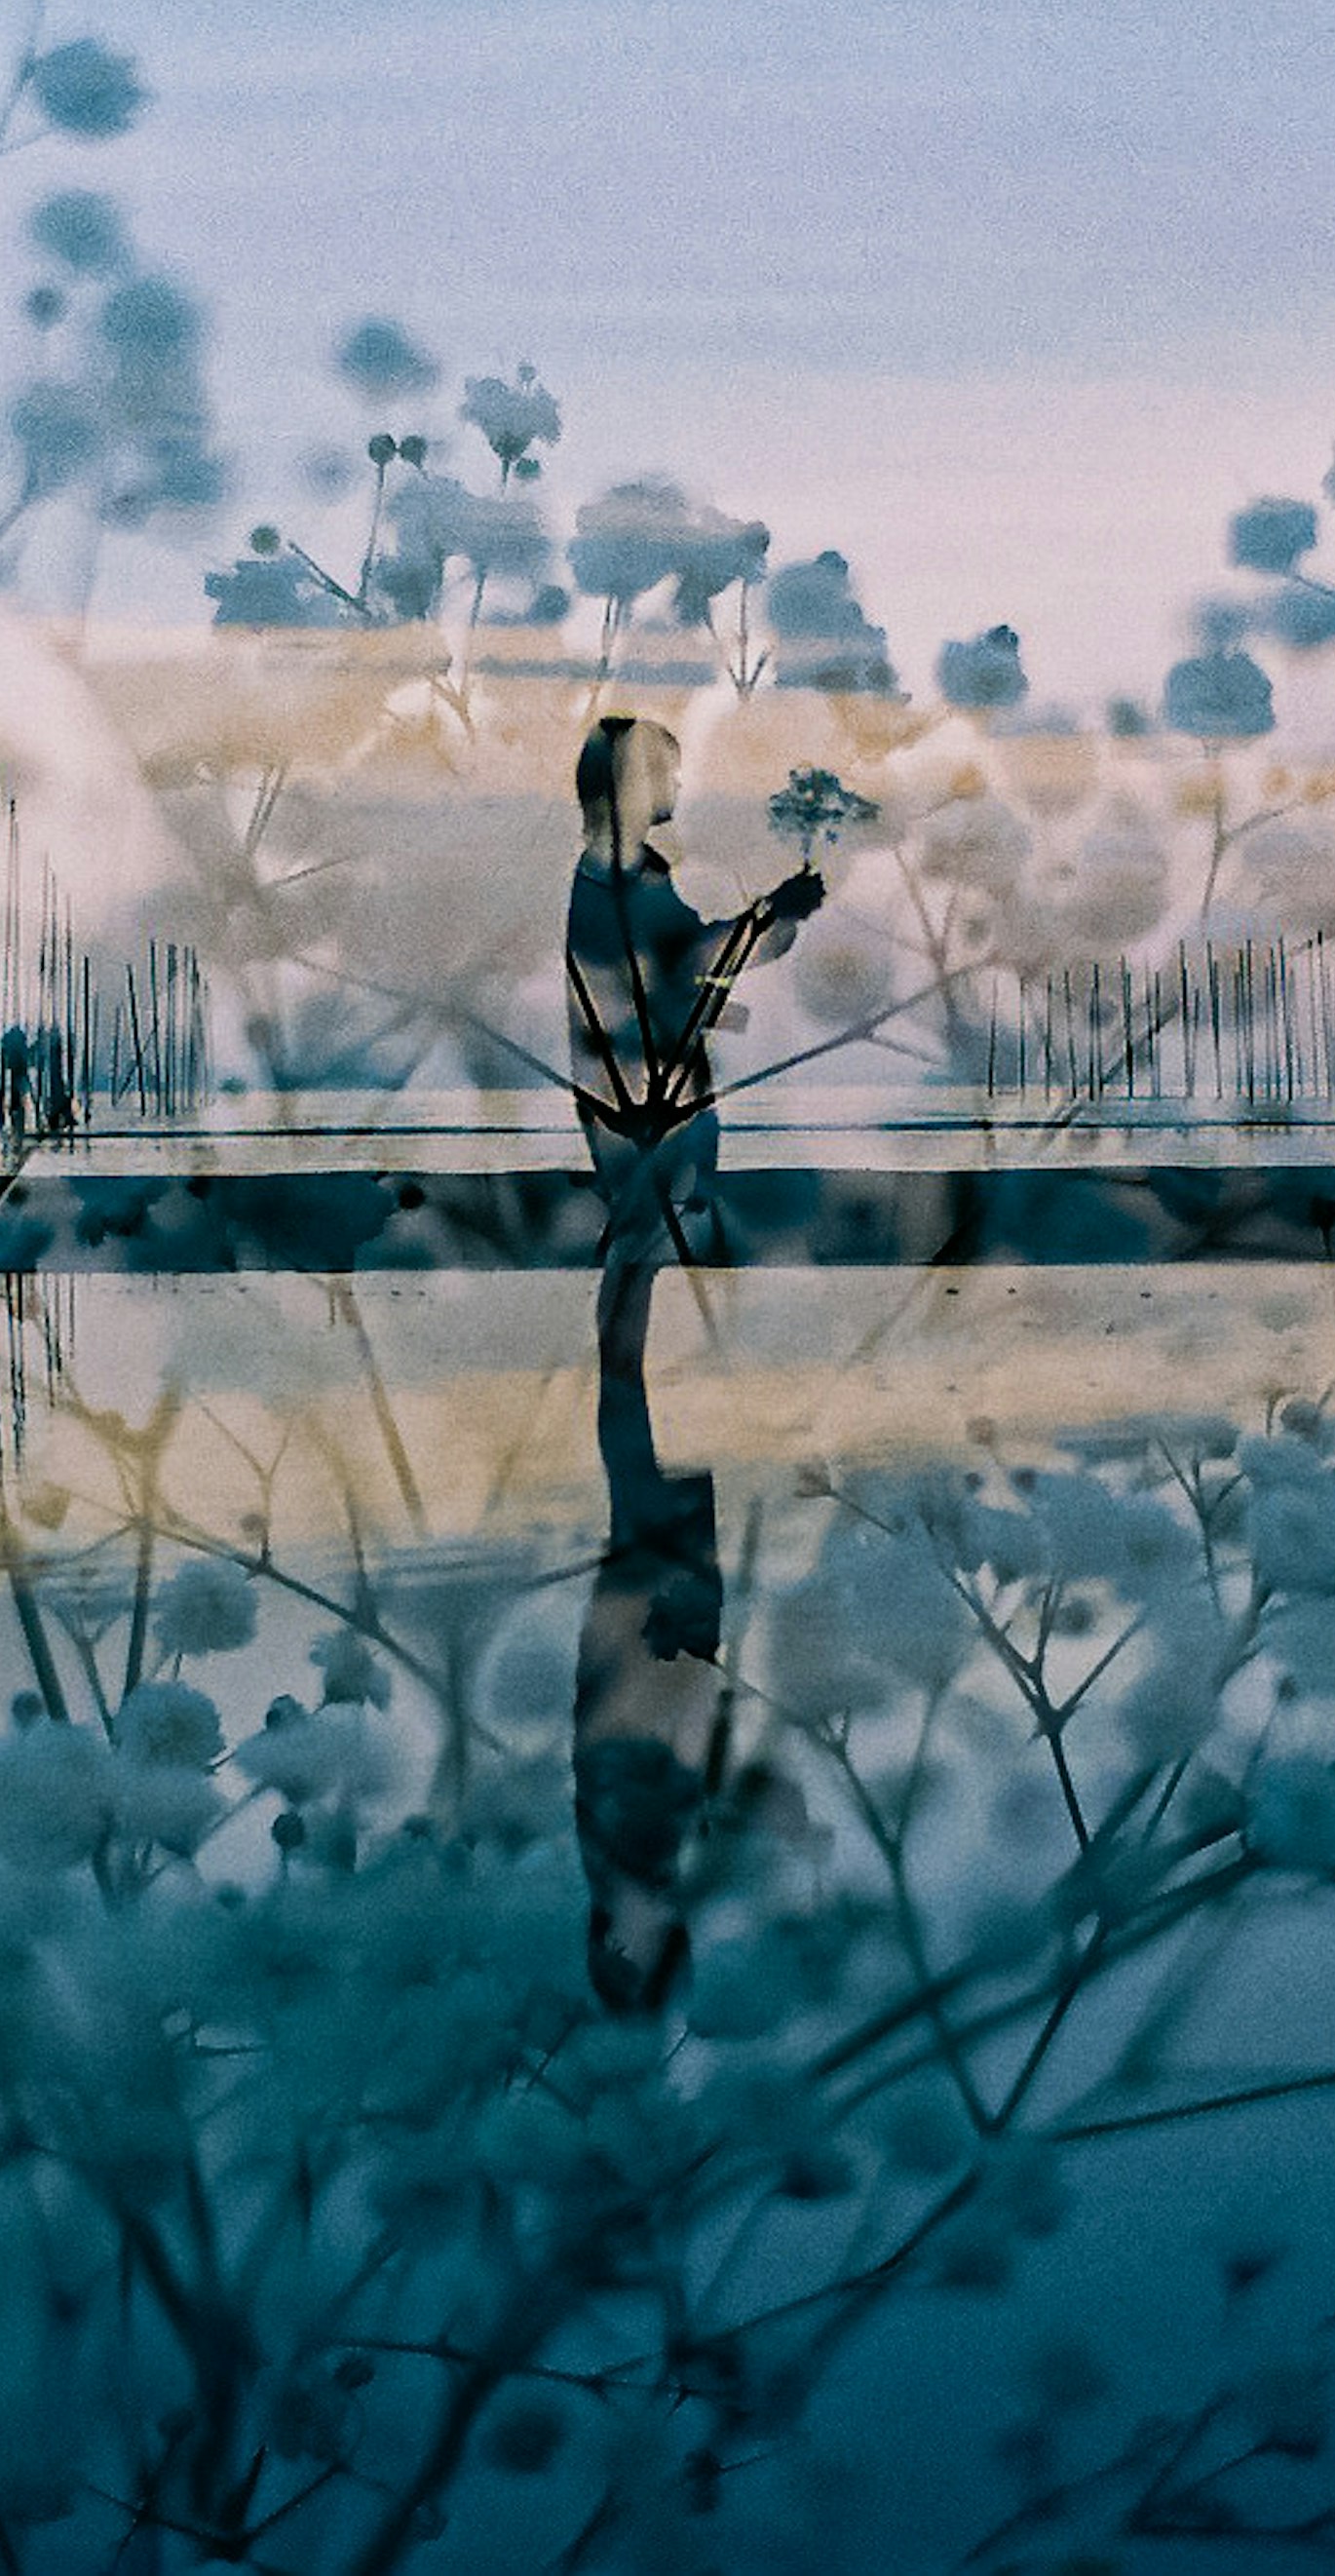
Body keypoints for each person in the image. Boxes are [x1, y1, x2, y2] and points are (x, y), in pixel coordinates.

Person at [561, 716, 821, 2010]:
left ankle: (641, 1417)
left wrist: (765, 926)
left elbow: (689, 978)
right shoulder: (613, 887)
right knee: (641, 1315)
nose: (680, 783)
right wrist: (762, 926)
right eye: (665, 766)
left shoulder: (634, 884)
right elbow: (674, 989)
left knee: (655, 1364)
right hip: (646, 1116)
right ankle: (630, 1410)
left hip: (666, 1658)